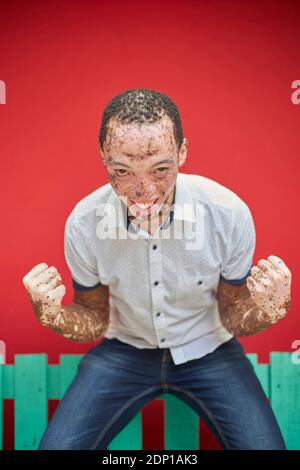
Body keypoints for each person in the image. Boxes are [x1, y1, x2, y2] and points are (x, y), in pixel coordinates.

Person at [22, 88, 291, 450]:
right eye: (122, 171)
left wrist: (269, 309)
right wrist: (51, 313)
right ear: (103, 156)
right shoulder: (85, 223)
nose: (143, 191)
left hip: (209, 350)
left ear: (182, 152)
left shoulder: (227, 214)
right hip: (124, 351)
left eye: (161, 169)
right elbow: (93, 318)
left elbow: (232, 314)